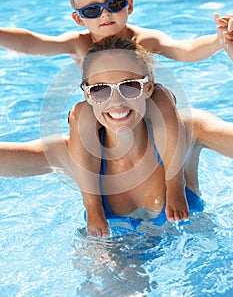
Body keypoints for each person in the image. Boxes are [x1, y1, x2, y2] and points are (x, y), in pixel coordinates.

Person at [0, 0, 231, 224]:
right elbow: (33, 42)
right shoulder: (78, 44)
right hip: (101, 120)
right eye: (92, 11)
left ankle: (174, 184)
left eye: (115, 4)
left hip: (149, 111)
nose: (105, 14)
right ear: (78, 18)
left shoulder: (143, 40)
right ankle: (94, 207)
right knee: (79, 114)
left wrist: (217, 40)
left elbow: (186, 49)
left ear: (129, 5)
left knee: (162, 97)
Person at [1, 36, 233, 238]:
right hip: (114, 255)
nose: (117, 101)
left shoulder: (190, 130)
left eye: (130, 86)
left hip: (192, 251)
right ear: (87, 95)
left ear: (149, 87)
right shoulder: (75, 152)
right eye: (100, 89)